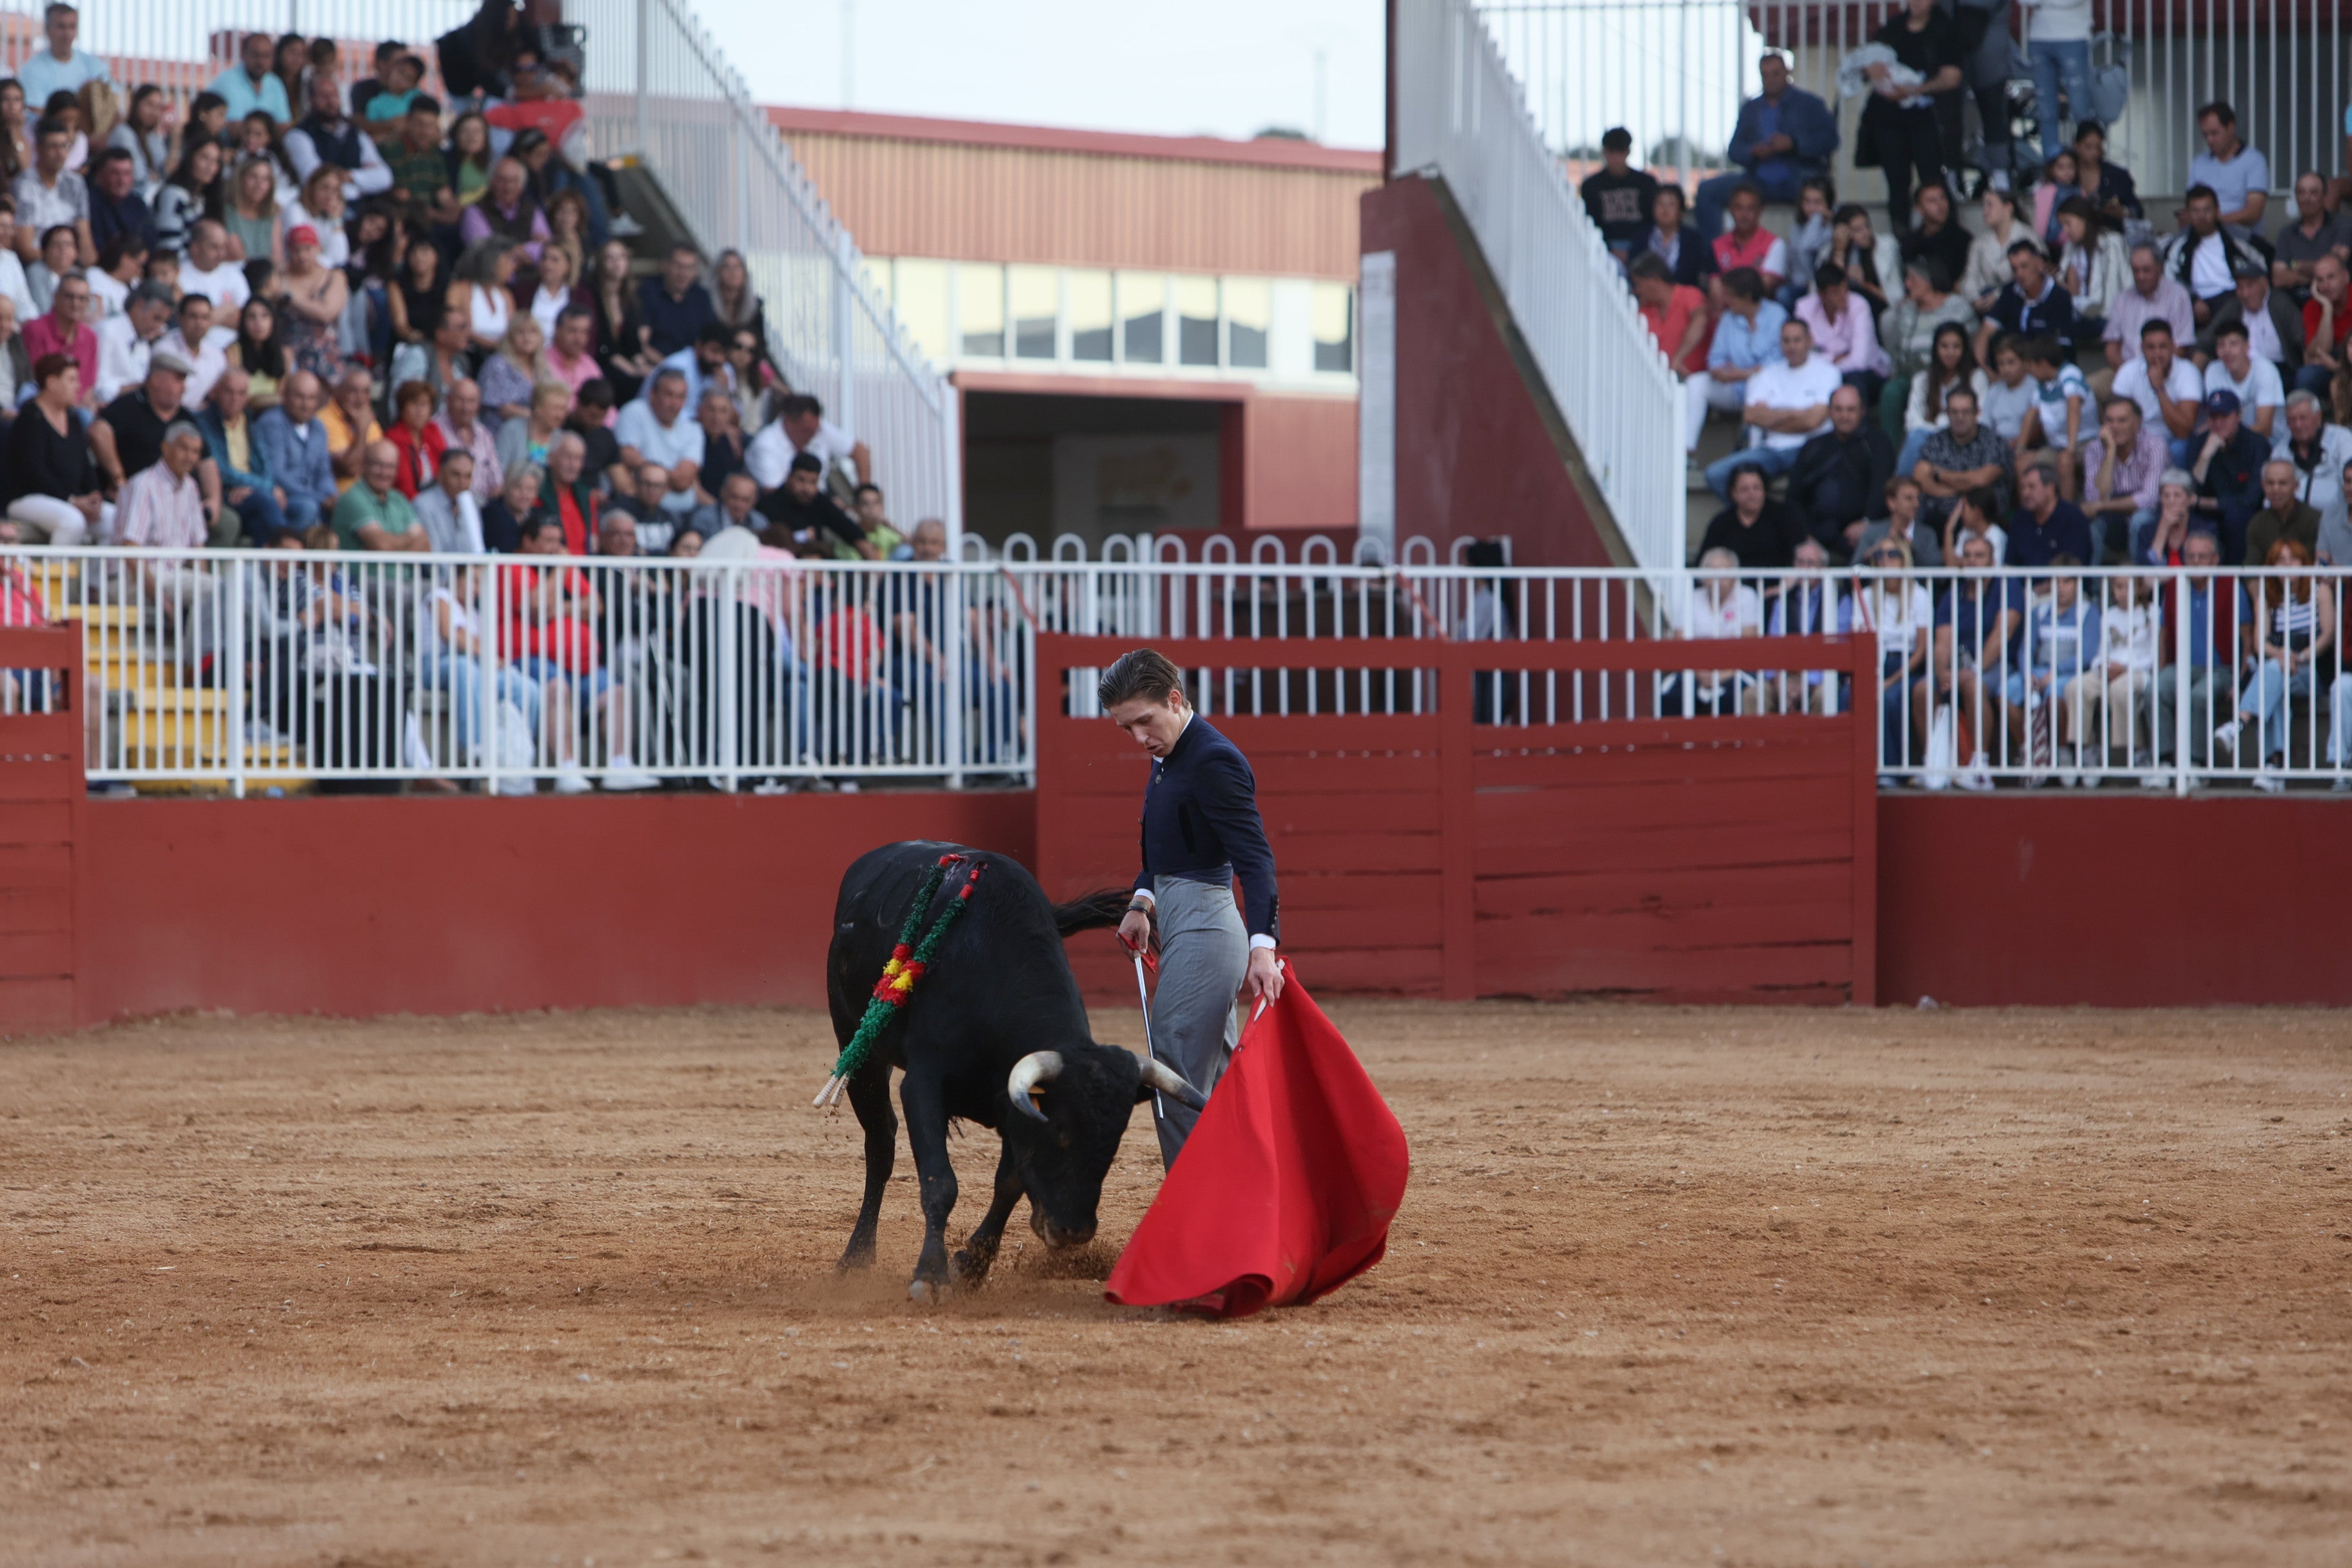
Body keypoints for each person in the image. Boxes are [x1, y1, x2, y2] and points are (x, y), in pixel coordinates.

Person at [1101, 647, 1280, 1166]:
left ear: (1174, 699)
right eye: (1125, 729)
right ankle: (1243, 1199)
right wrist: (1142, 901)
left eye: (1144, 722)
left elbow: (1255, 859)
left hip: (1206, 925)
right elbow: (1166, 847)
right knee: (1215, 1080)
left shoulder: (1212, 759)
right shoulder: (1171, 756)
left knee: (1173, 1074)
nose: (1138, 738)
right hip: (1183, 922)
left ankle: (1197, 1212)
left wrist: (1263, 947)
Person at [2213, 537, 2331, 790]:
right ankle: (2273, 768)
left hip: (2310, 669)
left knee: (2273, 672)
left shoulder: (2320, 591)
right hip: (2281, 668)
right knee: (2276, 684)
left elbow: (2327, 636)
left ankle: (2240, 724)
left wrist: (2299, 657)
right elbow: (2260, 643)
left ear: (2304, 562)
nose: (2288, 565)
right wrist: (2281, 655)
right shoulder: (2267, 597)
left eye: (2294, 559)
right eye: (2281, 560)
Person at [1692, 52, 1838, 242]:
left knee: (1819, 194)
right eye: (1765, 75)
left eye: (1776, 73)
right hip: (1757, 180)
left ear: (1787, 72)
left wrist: (1794, 144)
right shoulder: (1751, 108)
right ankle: (1713, 258)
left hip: (1800, 178)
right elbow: (1734, 150)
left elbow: (1831, 140)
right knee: (1706, 191)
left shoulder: (1810, 104)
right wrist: (1753, 151)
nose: (1770, 79)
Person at [1917, 531, 2021, 790]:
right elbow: (1942, 642)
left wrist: (1972, 670)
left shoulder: (2007, 585)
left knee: (1974, 685)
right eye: (1969, 556)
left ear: (1992, 561)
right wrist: (1942, 673)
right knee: (1922, 689)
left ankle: (1981, 766)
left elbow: (2002, 634)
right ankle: (1933, 763)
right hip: (1957, 667)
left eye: (1980, 556)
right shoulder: (1955, 592)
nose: (1973, 562)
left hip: (1996, 665)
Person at [1855, 0, 1963, 237]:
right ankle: (1902, 237)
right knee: (1897, 182)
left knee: (1933, 178)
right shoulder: (1892, 29)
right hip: (1887, 118)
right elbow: (1864, 64)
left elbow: (1952, 77)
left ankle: (1944, 235)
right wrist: (1870, 70)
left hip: (1926, 118)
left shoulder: (1944, 30)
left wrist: (1915, 90)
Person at [1707, 315, 1839, 499]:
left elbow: (1813, 421)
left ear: (1810, 341)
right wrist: (1795, 413)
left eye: (1797, 340)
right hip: (1771, 450)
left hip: (1809, 449)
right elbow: (1751, 416)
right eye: (1786, 341)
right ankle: (1753, 517)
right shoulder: (1768, 373)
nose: (1791, 346)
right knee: (1716, 475)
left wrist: (1771, 417)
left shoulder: (1828, 372)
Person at [2150, 527, 2235, 774]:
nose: (2196, 563)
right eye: (2191, 557)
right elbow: (2164, 633)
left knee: (2200, 696)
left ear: (2216, 560)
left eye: (2203, 557)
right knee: (2155, 689)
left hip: (2220, 670)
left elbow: (2246, 635)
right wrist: (2161, 667)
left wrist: (2238, 680)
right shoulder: (2176, 586)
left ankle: (2198, 764)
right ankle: (2164, 761)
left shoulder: (2230, 584)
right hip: (2180, 666)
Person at [1683, 266, 1783, 466]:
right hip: (1734, 389)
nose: (1726, 301)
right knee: (1696, 382)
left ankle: (1754, 455)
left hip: (1770, 392)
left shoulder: (1777, 315)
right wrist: (1748, 373)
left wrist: (1740, 373)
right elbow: (1715, 362)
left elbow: (1776, 366)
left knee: (1758, 383)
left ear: (1747, 296)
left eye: (1730, 295)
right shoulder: (1729, 319)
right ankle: (1687, 453)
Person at [1852, 537, 1933, 777]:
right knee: (1848, 695)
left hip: (1906, 664)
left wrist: (1890, 680)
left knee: (1889, 698)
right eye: (1880, 556)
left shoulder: (1919, 594)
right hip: (1872, 663)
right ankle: (1858, 769)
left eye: (1892, 555)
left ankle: (1892, 771)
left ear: (1904, 559)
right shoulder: (1866, 595)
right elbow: (1858, 639)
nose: (1886, 561)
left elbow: (1921, 649)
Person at [0, 350, 97, 542]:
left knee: (113, 520)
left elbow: (86, 464)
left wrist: (94, 494)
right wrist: (72, 500)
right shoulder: (30, 418)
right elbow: (35, 473)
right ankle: (56, 572)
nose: (78, 387)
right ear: (52, 383)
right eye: (72, 380)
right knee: (72, 522)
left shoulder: (74, 418)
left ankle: (99, 574)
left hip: (70, 499)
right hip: (26, 498)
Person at [1879, 259, 1975, 436]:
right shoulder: (1907, 310)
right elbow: (1898, 346)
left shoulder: (1957, 307)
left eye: (1913, 279)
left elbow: (1971, 344)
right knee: (1891, 392)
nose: (1907, 284)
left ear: (1929, 280)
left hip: (1947, 373)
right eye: (1907, 279)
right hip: (1914, 375)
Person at [195, 367, 287, 547]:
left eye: (241, 393)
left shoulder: (251, 422)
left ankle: (271, 573)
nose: (235, 399)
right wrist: (264, 488)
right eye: (229, 392)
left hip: (251, 493)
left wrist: (259, 487)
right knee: (266, 500)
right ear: (216, 392)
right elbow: (221, 470)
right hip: (225, 492)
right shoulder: (204, 422)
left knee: (260, 524)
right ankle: (288, 551)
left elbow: (266, 466)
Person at [2078, 396, 2165, 561]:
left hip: (2147, 515)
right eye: (2110, 421)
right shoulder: (2095, 449)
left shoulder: (2155, 446)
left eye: (2122, 421)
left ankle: (2137, 584)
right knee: (2092, 527)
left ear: (2137, 423)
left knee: (2140, 521)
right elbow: (2094, 497)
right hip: (2110, 518)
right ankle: (2092, 587)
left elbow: (2150, 499)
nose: (2115, 427)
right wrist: (2110, 452)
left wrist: (2102, 505)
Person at [283, 71, 391, 204]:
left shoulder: (355, 132)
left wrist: (350, 176)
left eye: (334, 95)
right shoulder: (298, 136)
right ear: (311, 100)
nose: (330, 101)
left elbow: (385, 177)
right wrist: (360, 185)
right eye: (323, 96)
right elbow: (315, 180)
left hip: (359, 209)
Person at [2164, 186, 2266, 326]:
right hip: (2196, 302)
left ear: (2217, 210)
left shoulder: (2237, 238)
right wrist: (2193, 300)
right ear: (2188, 213)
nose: (2202, 216)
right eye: (2196, 211)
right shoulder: (2179, 245)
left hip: (2233, 297)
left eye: (2207, 210)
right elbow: (2170, 279)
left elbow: (2261, 265)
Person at [90, 351, 190, 493]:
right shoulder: (128, 406)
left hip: (174, 496)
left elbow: (207, 460)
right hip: (131, 494)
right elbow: (98, 432)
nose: (184, 388)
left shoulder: (185, 417)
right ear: (156, 380)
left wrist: (213, 499)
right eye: (178, 380)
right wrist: (119, 478)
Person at [1914, 384, 2013, 529]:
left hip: (1984, 522)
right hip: (1937, 520)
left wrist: (1941, 476)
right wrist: (1961, 489)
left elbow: (1981, 480)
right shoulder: (1936, 441)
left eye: (1966, 412)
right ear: (1947, 412)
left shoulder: (1994, 442)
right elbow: (1921, 478)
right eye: (1954, 412)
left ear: (1977, 412)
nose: (1960, 418)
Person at [2188, 389, 2270, 558]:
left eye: (2224, 417)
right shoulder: (2200, 442)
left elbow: (2252, 499)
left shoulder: (2256, 445)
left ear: (2238, 416)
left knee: (2236, 518)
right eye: (2213, 417)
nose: (2218, 423)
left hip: (2244, 513)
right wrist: (2205, 456)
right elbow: (2190, 493)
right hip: (2207, 514)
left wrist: (2206, 502)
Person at [1897, 320, 1984, 479]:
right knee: (1915, 438)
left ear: (1964, 349)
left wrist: (1939, 431)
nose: (1950, 352)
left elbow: (1980, 417)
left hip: (1963, 440)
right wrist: (1935, 435)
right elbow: (1912, 420)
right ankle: (1904, 493)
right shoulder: (1922, 379)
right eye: (1944, 346)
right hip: (1925, 440)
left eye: (1956, 347)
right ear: (1936, 349)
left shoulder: (1976, 378)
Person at [2271, 389, 2352, 563]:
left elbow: (2350, 480)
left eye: (2303, 418)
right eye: (2292, 420)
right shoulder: (2280, 451)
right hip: (2294, 526)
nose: (2298, 425)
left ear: (2318, 417)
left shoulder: (2342, 439)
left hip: (2336, 522)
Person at [1793, 264, 1890, 406]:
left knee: (1853, 382)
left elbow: (1859, 361)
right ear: (1821, 295)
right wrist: (1834, 358)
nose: (1843, 295)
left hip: (1869, 372)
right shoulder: (1804, 308)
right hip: (1824, 373)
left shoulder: (1859, 305)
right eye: (1835, 292)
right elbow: (1801, 354)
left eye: (1845, 289)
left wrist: (1823, 363)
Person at [251, 368, 333, 535]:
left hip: (312, 496)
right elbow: (276, 474)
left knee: (345, 508)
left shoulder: (319, 427)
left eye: (311, 398)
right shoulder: (272, 423)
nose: (305, 405)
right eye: (299, 397)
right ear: (285, 395)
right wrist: (319, 497)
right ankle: (291, 556)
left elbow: (324, 471)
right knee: (308, 507)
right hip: (281, 497)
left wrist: (331, 494)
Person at [2112, 318, 2202, 466]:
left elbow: (2183, 431)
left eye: (2163, 347)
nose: (2158, 353)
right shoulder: (2128, 371)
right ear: (2142, 348)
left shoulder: (2188, 372)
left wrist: (2160, 389)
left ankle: (2175, 488)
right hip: (2136, 439)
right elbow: (2116, 417)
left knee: (2180, 448)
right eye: (2151, 347)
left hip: (2173, 439)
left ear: (2173, 346)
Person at [745, 391, 870, 495]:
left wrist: (864, 493)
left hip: (819, 500)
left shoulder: (817, 428)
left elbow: (861, 451)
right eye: (807, 431)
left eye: (817, 430)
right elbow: (773, 492)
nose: (814, 436)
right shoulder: (766, 445)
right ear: (788, 421)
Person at [1974, 240, 2074, 365]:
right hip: (2013, 372)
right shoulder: (2010, 292)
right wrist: (1987, 371)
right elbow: (1986, 331)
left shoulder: (2060, 297)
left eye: (2024, 266)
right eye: (2014, 269)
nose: (2020, 274)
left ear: (2040, 264)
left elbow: (2059, 349)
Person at [756, 451, 874, 558]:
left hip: (817, 571)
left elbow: (854, 535)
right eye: (801, 480)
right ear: (789, 477)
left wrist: (875, 570)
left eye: (813, 482)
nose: (806, 488)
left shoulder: (821, 503)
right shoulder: (769, 503)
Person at [2197, 260, 2304, 375]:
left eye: (2250, 286)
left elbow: (2301, 339)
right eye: (2240, 287)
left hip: (2279, 370)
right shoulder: (2234, 307)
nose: (2245, 294)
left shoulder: (2280, 303)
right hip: (2243, 371)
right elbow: (2206, 341)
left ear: (2264, 283)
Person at [2102, 240, 2195, 371]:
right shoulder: (2123, 297)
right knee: (2091, 386)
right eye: (2136, 271)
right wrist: (2126, 375)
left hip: (2165, 373)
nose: (2141, 276)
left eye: (2147, 270)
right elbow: (2111, 345)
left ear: (2160, 269)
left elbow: (2181, 347)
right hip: (2124, 372)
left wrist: (2151, 377)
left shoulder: (2178, 296)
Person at [2021, 0, 2093, 162]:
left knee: (2080, 108)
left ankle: (2087, 167)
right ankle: (2052, 171)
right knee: (2045, 110)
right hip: (2039, 35)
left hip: (2073, 34)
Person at [13, 115, 89, 267]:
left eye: (64, 146)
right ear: (38, 149)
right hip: (37, 263)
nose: (61, 153)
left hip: (71, 263)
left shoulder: (75, 183)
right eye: (53, 147)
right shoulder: (24, 185)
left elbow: (84, 236)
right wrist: (60, 262)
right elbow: (25, 248)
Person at [2185, 101, 2268, 240]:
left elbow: (2254, 212)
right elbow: (2189, 205)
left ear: (2231, 127)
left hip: (2241, 238)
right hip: (2202, 237)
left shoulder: (2254, 161)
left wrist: (2215, 221)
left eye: (2214, 133)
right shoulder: (2199, 163)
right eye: (2205, 135)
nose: (2210, 140)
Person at [1696, 462, 1801, 569]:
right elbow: (1703, 564)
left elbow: (1799, 558)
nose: (1752, 494)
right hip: (1732, 585)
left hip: (1780, 584)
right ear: (1733, 493)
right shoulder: (1721, 523)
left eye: (1757, 488)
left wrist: (1783, 585)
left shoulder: (1784, 517)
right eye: (1744, 489)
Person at [276, 224, 347, 381]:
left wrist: (290, 298)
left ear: (318, 249)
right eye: (296, 250)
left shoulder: (334, 276)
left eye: (307, 249)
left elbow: (327, 313)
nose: (302, 255)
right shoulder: (279, 276)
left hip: (326, 353)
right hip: (289, 353)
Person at [2015, 335, 2090, 484]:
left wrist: (2070, 448)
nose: (2029, 371)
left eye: (2030, 366)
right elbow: (2031, 415)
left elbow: (2074, 406)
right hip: (2055, 447)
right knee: (2022, 463)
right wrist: (2020, 449)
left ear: (2042, 364)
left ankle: (2066, 507)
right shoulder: (2042, 385)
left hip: (2083, 443)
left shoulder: (2069, 373)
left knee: (2065, 461)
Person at [331, 439, 427, 552]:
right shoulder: (352, 498)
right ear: (364, 465)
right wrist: (410, 539)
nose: (384, 473)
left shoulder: (399, 498)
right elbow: (383, 546)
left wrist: (393, 544)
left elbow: (426, 546)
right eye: (378, 465)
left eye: (390, 466)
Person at [2053, 199, 2128, 340]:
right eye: (2062, 225)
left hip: (2106, 315)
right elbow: (2070, 292)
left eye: (2068, 223)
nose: (2065, 231)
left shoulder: (2111, 242)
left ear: (2084, 219)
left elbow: (2113, 290)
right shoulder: (2070, 248)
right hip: (2079, 313)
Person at [2271, 172, 2351, 302]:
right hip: (2296, 300)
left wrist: (2297, 266)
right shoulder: (2287, 233)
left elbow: (2335, 268)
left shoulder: (2343, 226)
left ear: (2324, 196)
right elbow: (2279, 278)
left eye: (2313, 193)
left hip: (2334, 298)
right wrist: (2318, 279)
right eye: (2301, 193)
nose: (2306, 198)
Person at [1579, 126, 1657, 257]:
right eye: (1612, 152)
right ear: (1605, 152)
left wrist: (1636, 250)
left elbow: (1651, 223)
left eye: (1620, 152)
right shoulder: (1591, 186)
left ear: (1628, 152)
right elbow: (1591, 223)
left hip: (1642, 248)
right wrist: (1610, 250)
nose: (1616, 158)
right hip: (1603, 248)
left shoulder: (1646, 183)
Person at [2204, 320, 2287, 440]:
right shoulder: (2213, 371)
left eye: (2233, 344)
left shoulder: (2265, 370)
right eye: (2222, 345)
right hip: (2229, 439)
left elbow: (2265, 427)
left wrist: (2228, 436)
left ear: (2247, 347)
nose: (2227, 351)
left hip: (2271, 440)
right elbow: (2215, 419)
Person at [17, 6, 109, 113]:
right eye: (61, 27)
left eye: (72, 27)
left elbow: (112, 108)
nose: (67, 34)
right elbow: (37, 114)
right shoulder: (32, 70)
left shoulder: (94, 64)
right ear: (47, 30)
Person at [1630, 253, 1709, 377]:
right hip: (1655, 380)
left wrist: (1678, 359)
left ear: (1653, 280)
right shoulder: (1645, 311)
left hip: (1692, 378)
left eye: (1638, 284)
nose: (1637, 290)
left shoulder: (1689, 295)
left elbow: (1701, 320)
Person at [92, 278, 168, 403]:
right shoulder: (107, 331)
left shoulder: (143, 343)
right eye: (156, 318)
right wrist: (137, 388)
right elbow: (97, 385)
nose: (158, 327)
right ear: (139, 305)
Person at [21, 264, 92, 398]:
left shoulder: (91, 337)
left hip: (76, 407)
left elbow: (87, 387)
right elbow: (33, 378)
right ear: (56, 297)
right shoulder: (35, 329)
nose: (75, 304)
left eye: (82, 298)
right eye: (69, 297)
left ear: (88, 302)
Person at [1959, 186, 2034, 311]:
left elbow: (2035, 277)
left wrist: (1998, 296)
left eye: (1990, 205)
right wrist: (1975, 299)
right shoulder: (1980, 242)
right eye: (1984, 206)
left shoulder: (2028, 237)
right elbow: (1970, 276)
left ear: (2008, 207)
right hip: (1984, 303)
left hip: (2020, 302)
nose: (1985, 211)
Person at [458, 155, 547, 261]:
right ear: (492, 182)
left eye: (513, 181)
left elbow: (546, 248)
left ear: (521, 186)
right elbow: (485, 253)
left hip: (529, 276)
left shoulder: (532, 210)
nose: (508, 187)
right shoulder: (474, 212)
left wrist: (508, 252)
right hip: (490, 277)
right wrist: (528, 251)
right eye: (502, 180)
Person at [2006, 458, 2093, 564]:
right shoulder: (2019, 520)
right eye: (2023, 488)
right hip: (2024, 581)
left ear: (2050, 489)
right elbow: (2010, 564)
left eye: (2031, 487)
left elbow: (2076, 563)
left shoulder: (2073, 518)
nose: (2025, 493)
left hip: (2061, 580)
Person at [638, 241, 715, 358]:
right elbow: (642, 343)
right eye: (678, 266)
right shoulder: (648, 292)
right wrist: (667, 366)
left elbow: (710, 339)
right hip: (657, 364)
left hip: (693, 365)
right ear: (666, 265)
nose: (683, 273)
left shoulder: (702, 296)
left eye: (690, 268)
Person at [433, 378, 502, 505]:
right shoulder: (434, 429)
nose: (466, 408)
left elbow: (496, 483)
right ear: (448, 400)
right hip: (446, 504)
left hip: (482, 506)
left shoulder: (484, 434)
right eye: (460, 400)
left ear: (479, 405)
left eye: (471, 401)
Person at [2244, 456, 2322, 569]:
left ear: (2296, 486)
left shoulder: (2315, 520)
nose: (2276, 489)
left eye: (2283, 483)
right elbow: (2251, 572)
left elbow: (2315, 566)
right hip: (2267, 586)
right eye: (2270, 483)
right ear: (2263, 486)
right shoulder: (2257, 523)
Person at [1827, 201, 1900, 317]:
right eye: (1858, 230)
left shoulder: (1885, 247)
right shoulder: (1829, 251)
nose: (1866, 233)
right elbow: (1830, 290)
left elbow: (1893, 298)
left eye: (1867, 226)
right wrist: (1840, 251)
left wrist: (1863, 284)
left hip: (1880, 309)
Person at [1710, 183, 1788, 291]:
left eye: (1751, 209)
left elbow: (1765, 286)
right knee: (1715, 284)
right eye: (1739, 208)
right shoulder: (1717, 245)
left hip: (1760, 306)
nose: (1744, 215)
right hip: (1726, 305)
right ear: (1731, 210)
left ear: (1761, 210)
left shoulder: (1775, 244)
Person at [1855, 473, 1945, 567]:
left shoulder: (1927, 534)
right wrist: (1875, 551)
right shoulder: (1872, 532)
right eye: (1909, 498)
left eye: (1918, 498)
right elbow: (1853, 571)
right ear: (1891, 503)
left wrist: (1912, 549)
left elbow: (1939, 576)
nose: (1916, 504)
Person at [446, 236, 515, 356]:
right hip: (468, 354)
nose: (513, 266)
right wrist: (494, 346)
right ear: (491, 263)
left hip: (501, 356)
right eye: (508, 260)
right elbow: (454, 326)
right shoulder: (459, 290)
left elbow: (513, 330)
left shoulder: (506, 295)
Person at [478, 314, 550, 428]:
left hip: (535, 431)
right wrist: (539, 417)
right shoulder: (497, 364)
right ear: (510, 337)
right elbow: (504, 409)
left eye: (533, 332)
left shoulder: (542, 368)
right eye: (521, 332)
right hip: (501, 429)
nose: (527, 338)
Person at [158, 292, 226, 409]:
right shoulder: (163, 351)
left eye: (205, 318)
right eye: (194, 317)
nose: (199, 323)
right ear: (180, 318)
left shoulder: (217, 355)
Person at [413, 446, 485, 554]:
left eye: (468, 476)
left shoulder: (472, 505)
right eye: (456, 475)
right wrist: (465, 572)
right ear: (441, 474)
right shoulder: (423, 505)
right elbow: (433, 556)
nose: (462, 482)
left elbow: (476, 550)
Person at [2297, 253, 2351, 397]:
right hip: (2329, 366)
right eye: (2320, 280)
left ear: (2346, 277)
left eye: (2331, 277)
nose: (2326, 285)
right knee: (2306, 376)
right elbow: (2319, 350)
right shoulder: (2313, 306)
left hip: (2344, 364)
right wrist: (2327, 309)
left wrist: (2338, 367)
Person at [212, 32, 292, 127]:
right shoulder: (226, 82)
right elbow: (232, 127)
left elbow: (284, 124)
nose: (260, 62)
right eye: (256, 55)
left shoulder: (275, 84)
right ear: (244, 54)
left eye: (266, 56)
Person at [322, 365, 381, 492]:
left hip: (370, 493)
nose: (360, 398)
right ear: (337, 390)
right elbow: (352, 468)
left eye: (366, 391)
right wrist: (363, 429)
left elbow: (380, 464)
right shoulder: (324, 419)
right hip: (341, 495)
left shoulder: (365, 416)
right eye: (353, 390)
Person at [85, 149, 152, 258]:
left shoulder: (138, 205)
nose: (122, 181)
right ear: (101, 175)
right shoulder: (89, 204)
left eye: (127, 174)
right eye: (115, 173)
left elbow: (149, 244)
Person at [1980, 333, 2038, 443]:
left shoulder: (2035, 388)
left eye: (2011, 362)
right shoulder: (1994, 390)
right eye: (2001, 364)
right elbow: (1985, 426)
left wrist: (2015, 444)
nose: (2006, 369)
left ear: (2024, 362)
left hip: (2027, 446)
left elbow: (2038, 429)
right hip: (1996, 446)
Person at [481, 456, 544, 554]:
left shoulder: (541, 518)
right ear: (506, 487)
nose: (524, 494)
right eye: (518, 487)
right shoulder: (491, 514)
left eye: (530, 489)